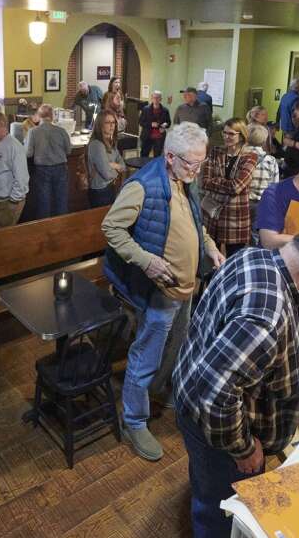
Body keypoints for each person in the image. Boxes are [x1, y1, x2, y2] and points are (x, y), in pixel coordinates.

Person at [173, 225, 299, 538]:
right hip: (217, 427)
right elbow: (217, 395)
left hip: (191, 395)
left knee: (206, 482)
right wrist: (242, 448)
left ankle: (205, 537)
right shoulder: (266, 315)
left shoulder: (252, 255)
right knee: (222, 505)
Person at [102, 121, 226, 462]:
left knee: (176, 346)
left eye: (201, 163)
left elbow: (193, 224)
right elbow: (111, 227)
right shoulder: (142, 185)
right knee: (146, 355)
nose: (197, 170)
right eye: (191, 163)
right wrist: (146, 261)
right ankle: (134, 420)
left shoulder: (185, 180)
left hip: (186, 285)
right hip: (158, 288)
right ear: (170, 156)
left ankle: (159, 391)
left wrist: (210, 246)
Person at [200, 117, 258, 257]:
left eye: (231, 134)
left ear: (241, 135)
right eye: (224, 133)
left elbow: (236, 187)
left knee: (234, 259)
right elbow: (205, 181)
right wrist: (225, 184)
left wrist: (217, 182)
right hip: (212, 213)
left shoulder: (250, 157)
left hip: (235, 216)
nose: (226, 136)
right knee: (209, 258)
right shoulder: (216, 152)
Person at [25, 104, 74, 218]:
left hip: (42, 169)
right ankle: (62, 227)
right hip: (60, 168)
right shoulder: (61, 131)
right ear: (52, 116)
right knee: (61, 201)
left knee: (44, 202)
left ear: (39, 116)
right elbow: (69, 150)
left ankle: (45, 230)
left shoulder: (33, 132)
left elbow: (28, 153)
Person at [86, 110, 125, 208]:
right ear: (100, 124)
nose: (112, 125)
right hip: (100, 191)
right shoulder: (97, 144)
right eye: (108, 122)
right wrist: (115, 169)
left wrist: (112, 165)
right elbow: (107, 174)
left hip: (110, 187)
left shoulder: (110, 142)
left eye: (113, 122)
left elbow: (123, 165)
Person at [245, 123, 280, 204]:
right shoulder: (271, 160)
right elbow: (274, 186)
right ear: (265, 140)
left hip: (242, 202)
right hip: (262, 202)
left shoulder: (239, 156)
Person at [138, 90, 171, 157]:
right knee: (144, 156)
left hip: (159, 137)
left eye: (158, 97)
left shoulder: (165, 110)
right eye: (154, 97)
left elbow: (169, 122)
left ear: (161, 99)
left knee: (157, 157)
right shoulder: (145, 109)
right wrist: (150, 124)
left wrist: (165, 125)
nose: (156, 99)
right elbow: (141, 122)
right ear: (151, 98)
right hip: (147, 136)